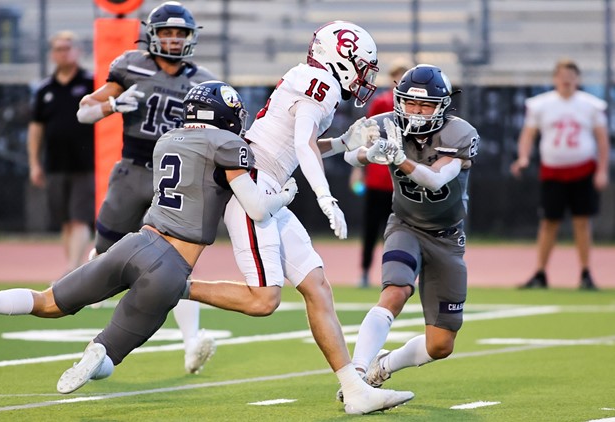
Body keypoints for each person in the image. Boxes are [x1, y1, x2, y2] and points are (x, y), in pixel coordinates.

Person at [0, 81, 299, 395]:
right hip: (171, 266)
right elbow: (256, 208)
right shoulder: (228, 145)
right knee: (110, 356)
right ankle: (96, 353)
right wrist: (285, 194)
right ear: (225, 114)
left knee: (47, 302)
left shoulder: (168, 140)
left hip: (134, 243)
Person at [184, 21, 414, 414]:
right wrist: (326, 197)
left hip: (268, 181)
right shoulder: (317, 82)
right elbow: (302, 145)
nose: (363, 77)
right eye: (361, 66)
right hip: (254, 186)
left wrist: (342, 143)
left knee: (318, 285)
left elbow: (298, 144)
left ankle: (355, 391)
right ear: (340, 58)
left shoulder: (313, 82)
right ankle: (176, 287)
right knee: (264, 301)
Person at [75, 1, 218, 372]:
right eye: (167, 32)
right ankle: (78, 295)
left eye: (180, 33)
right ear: (152, 35)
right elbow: (84, 111)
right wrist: (112, 105)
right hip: (133, 170)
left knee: (176, 263)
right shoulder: (130, 66)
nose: (172, 39)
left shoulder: (203, 80)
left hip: (175, 178)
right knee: (105, 253)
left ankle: (191, 343)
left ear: (190, 38)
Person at [338, 64, 479, 395]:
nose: (416, 111)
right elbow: (346, 152)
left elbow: (435, 179)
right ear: (398, 100)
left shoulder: (460, 133)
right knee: (396, 290)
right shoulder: (385, 123)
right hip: (406, 224)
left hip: (447, 237)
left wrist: (398, 157)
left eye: (426, 105)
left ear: (442, 106)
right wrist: (366, 153)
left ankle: (383, 366)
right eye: (411, 103)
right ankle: (356, 374)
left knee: (441, 344)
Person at [510, 58, 610, 290]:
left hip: (583, 169)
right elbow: (528, 135)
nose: (566, 81)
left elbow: (602, 140)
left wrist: (602, 170)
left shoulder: (591, 105)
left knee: (582, 222)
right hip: (553, 171)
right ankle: (541, 272)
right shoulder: (541, 105)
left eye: (571, 76)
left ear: (578, 79)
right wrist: (523, 157)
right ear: (555, 78)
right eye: (562, 76)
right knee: (548, 222)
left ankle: (586, 273)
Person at [27, 30, 95, 273]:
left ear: (78, 51)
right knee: (66, 222)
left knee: (80, 217)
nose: (63, 53)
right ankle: (75, 270)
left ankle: (72, 270)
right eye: (58, 49)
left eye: (67, 48)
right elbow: (36, 129)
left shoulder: (91, 84)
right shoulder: (44, 89)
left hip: (87, 163)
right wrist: (34, 163)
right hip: (56, 164)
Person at [349, 62, 409, 287]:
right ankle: (365, 272)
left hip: (401, 178)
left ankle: (397, 273)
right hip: (379, 176)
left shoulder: (413, 107)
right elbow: (367, 136)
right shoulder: (382, 102)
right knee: (372, 228)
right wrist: (357, 168)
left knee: (401, 231)